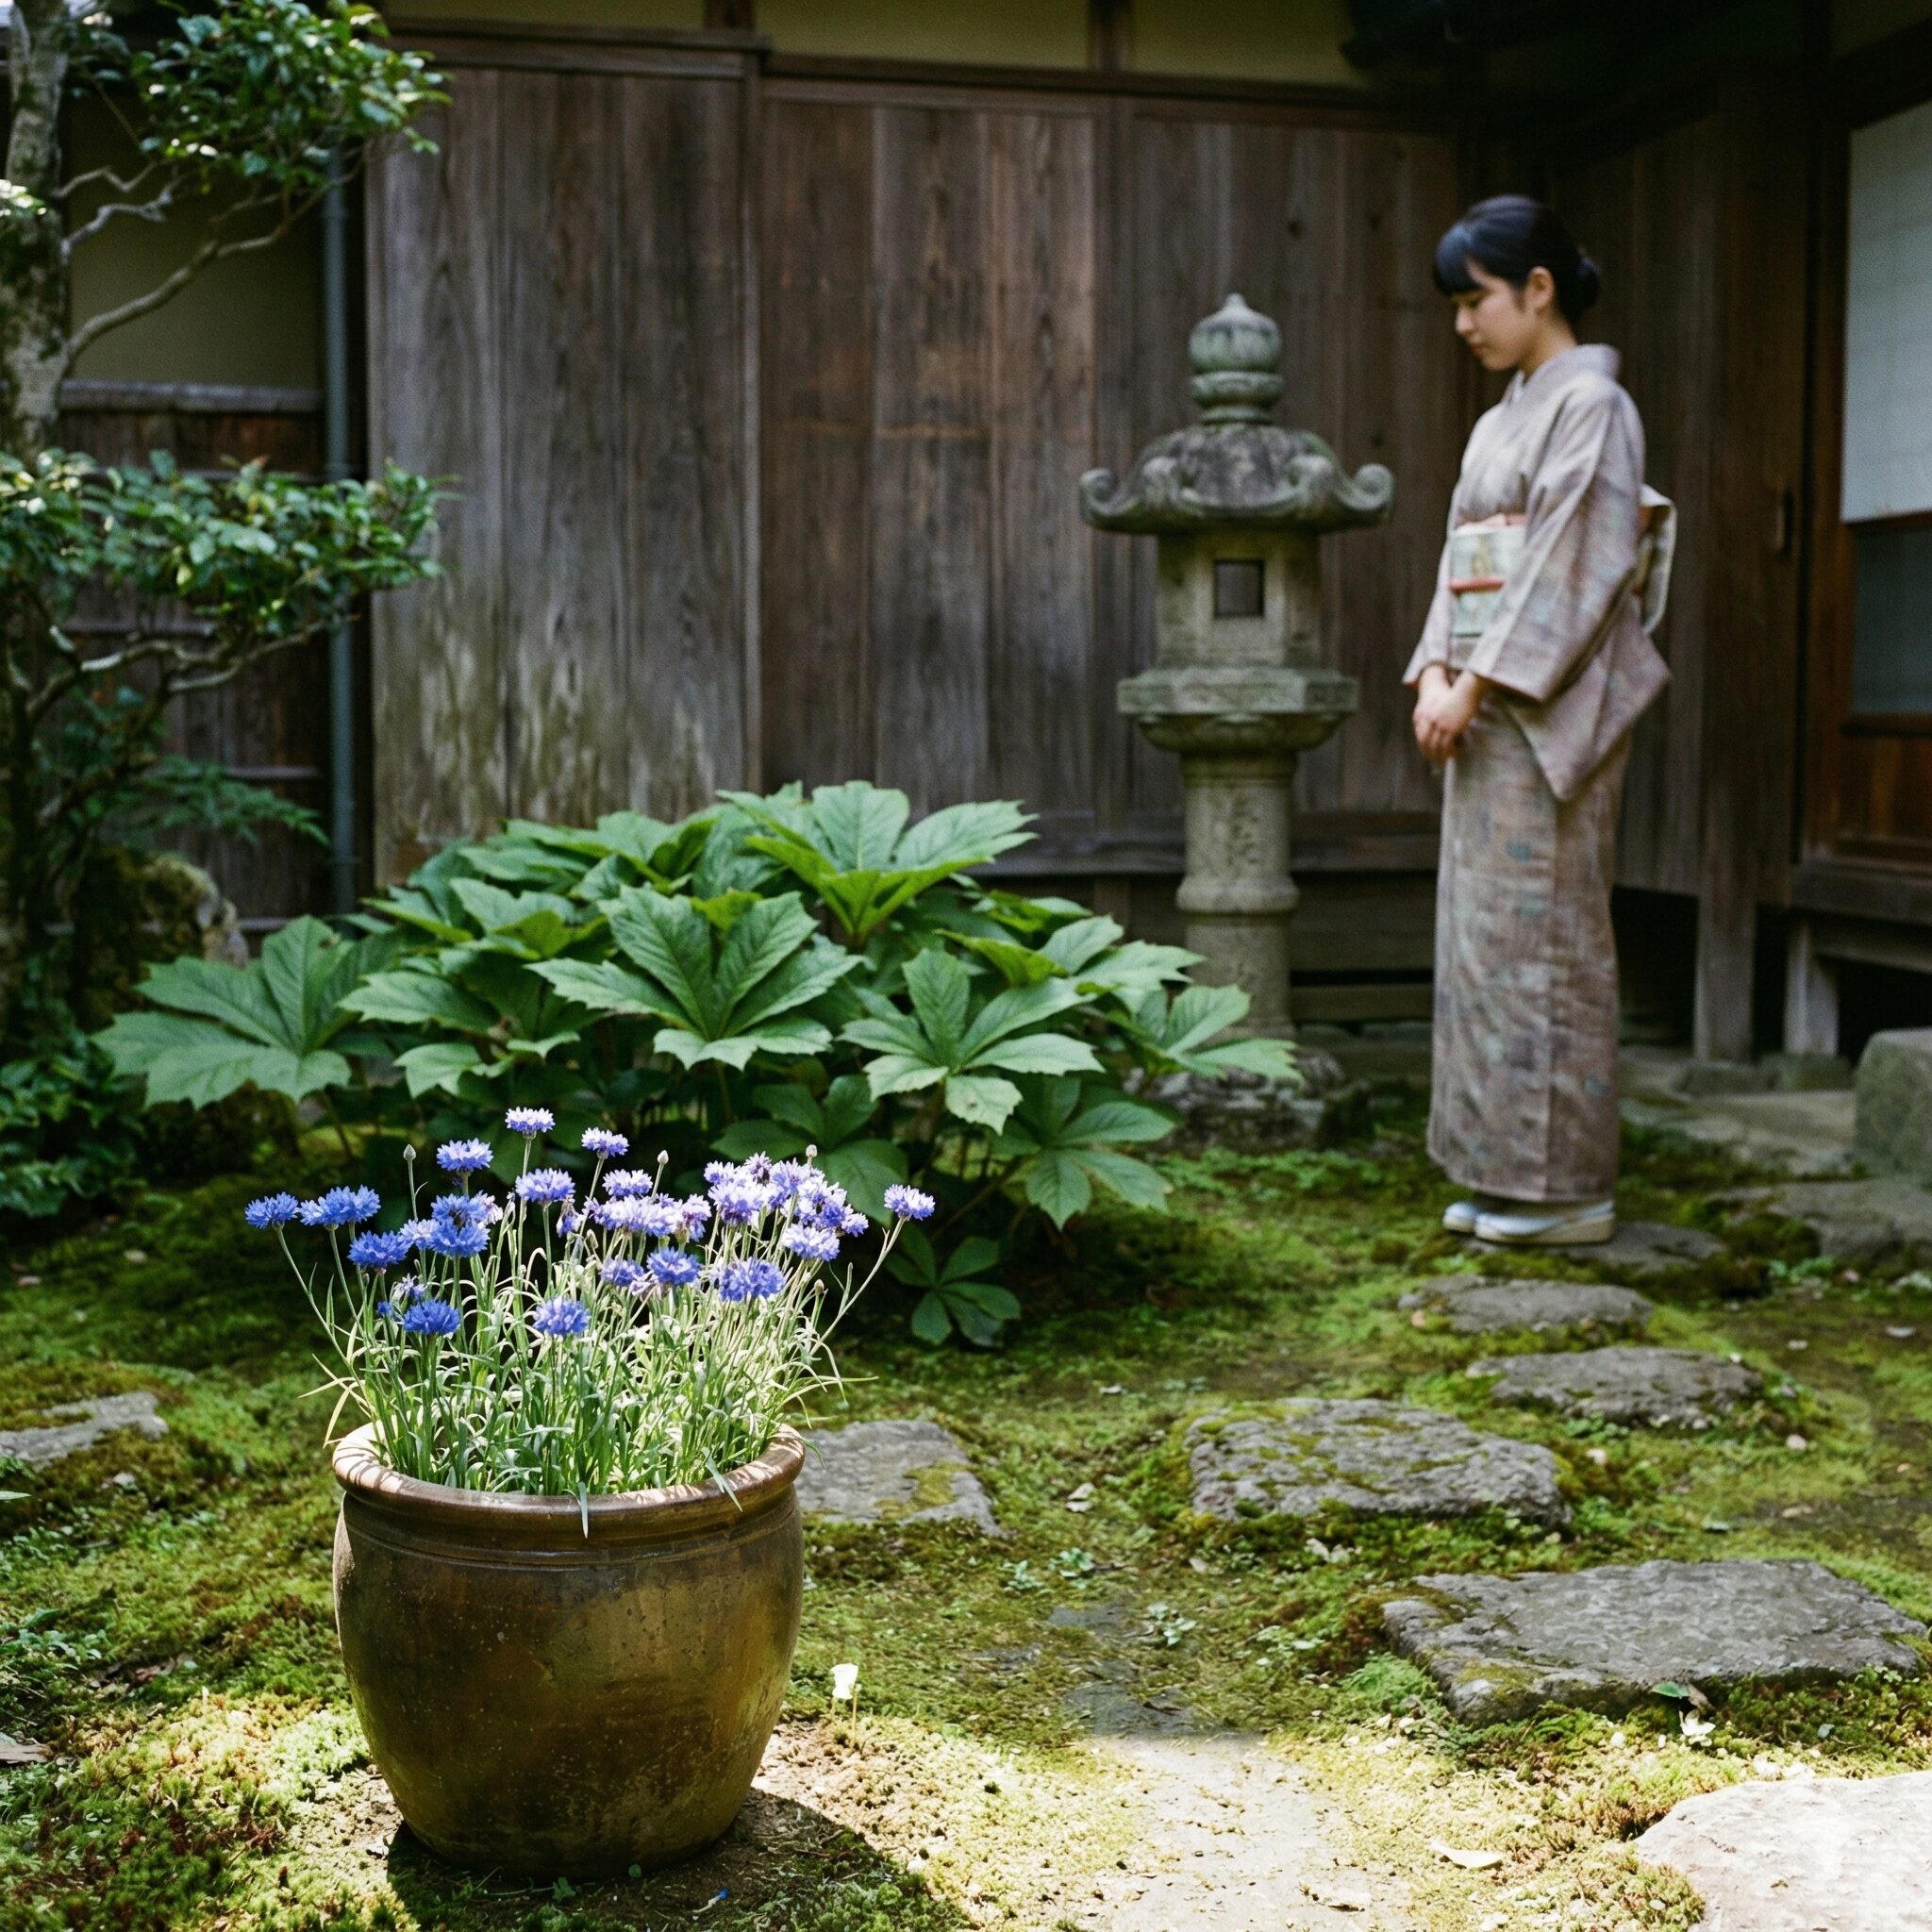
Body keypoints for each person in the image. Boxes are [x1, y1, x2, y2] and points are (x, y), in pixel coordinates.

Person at [1407, 195, 1673, 1247]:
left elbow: (1577, 560)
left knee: (1546, 932)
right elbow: (1456, 559)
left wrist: (1474, 683)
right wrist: (1434, 668)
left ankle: (1566, 1184)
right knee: (1479, 937)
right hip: (1477, 705)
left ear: (1537, 289)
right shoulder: (1495, 420)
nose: (1463, 323)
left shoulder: (1592, 407)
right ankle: (1493, 1165)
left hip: (1543, 703)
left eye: (1474, 301)